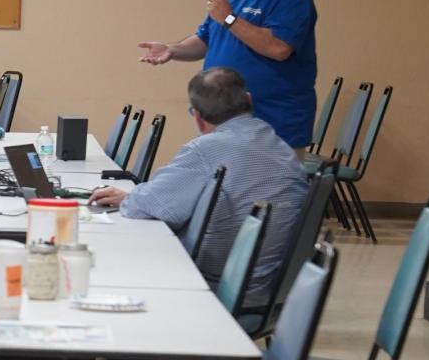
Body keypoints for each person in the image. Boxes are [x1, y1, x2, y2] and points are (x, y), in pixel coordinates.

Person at [89, 67, 308, 305]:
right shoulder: (284, 150)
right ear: (249, 100)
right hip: (271, 292)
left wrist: (132, 197)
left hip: (217, 287)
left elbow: (147, 207)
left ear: (198, 117)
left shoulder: (206, 149)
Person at [137, 0, 318, 150]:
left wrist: (230, 18)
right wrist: (172, 49)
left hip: (272, 125)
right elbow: (206, 38)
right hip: (222, 121)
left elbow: (279, 47)